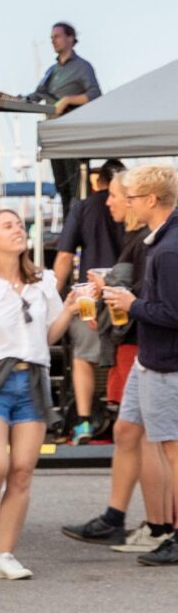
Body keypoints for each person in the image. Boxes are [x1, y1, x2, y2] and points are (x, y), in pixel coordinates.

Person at [0, 208, 72, 581]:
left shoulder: (44, 282)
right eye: (9, 226)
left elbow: (48, 337)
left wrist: (70, 308)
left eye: (20, 224)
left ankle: (5, 554)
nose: (18, 229)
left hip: (33, 381)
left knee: (22, 472)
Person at [65, 169, 175, 553]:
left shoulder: (162, 243)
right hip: (143, 348)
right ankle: (129, 520)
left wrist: (121, 300)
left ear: (146, 199)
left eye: (121, 195)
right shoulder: (148, 239)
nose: (114, 202)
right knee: (132, 434)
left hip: (150, 351)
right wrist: (112, 293)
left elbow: (163, 304)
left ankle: (161, 527)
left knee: (159, 442)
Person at [99, 161, 178, 569]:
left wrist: (133, 305)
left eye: (131, 197)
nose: (127, 203)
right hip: (155, 359)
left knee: (172, 449)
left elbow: (172, 312)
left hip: (165, 362)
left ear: (150, 199)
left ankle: (168, 531)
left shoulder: (166, 249)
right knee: (143, 435)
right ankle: (149, 524)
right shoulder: (162, 241)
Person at [52, 159, 129, 441]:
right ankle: (121, 414)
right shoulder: (133, 208)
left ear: (98, 182)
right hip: (127, 291)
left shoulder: (83, 208)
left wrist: (53, 296)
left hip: (90, 295)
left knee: (84, 357)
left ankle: (84, 421)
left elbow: (63, 257)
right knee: (123, 355)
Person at [0, 20, 101, 116]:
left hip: (75, 129)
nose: (53, 40)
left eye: (57, 36)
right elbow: (33, 99)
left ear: (71, 38)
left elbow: (95, 95)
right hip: (53, 131)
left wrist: (67, 100)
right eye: (52, 37)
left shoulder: (82, 66)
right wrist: (3, 97)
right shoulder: (51, 71)